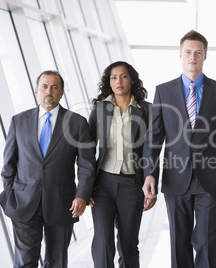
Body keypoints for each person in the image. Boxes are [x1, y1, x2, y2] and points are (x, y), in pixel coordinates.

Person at [142, 30, 216, 268]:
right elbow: (154, 137)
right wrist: (149, 173)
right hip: (176, 179)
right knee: (179, 242)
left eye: (198, 52)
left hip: (211, 180)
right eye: (188, 52)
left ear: (205, 55)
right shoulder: (163, 91)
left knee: (206, 240)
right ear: (180, 54)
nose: (192, 56)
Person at [0, 70, 96, 267]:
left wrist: (82, 195)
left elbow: (86, 165)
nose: (48, 91)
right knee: (25, 262)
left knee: (57, 262)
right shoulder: (19, 121)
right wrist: (10, 194)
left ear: (61, 93)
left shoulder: (77, 123)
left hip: (62, 203)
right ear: (36, 90)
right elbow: (8, 164)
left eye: (54, 87)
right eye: (44, 86)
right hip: (23, 203)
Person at [88, 61, 155, 268]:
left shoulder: (147, 110)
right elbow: (87, 150)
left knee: (127, 244)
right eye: (114, 77)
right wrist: (85, 187)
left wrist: (151, 188)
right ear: (109, 82)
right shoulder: (100, 109)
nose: (119, 81)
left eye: (123, 76)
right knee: (103, 241)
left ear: (132, 79)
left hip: (133, 185)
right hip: (102, 185)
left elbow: (152, 150)